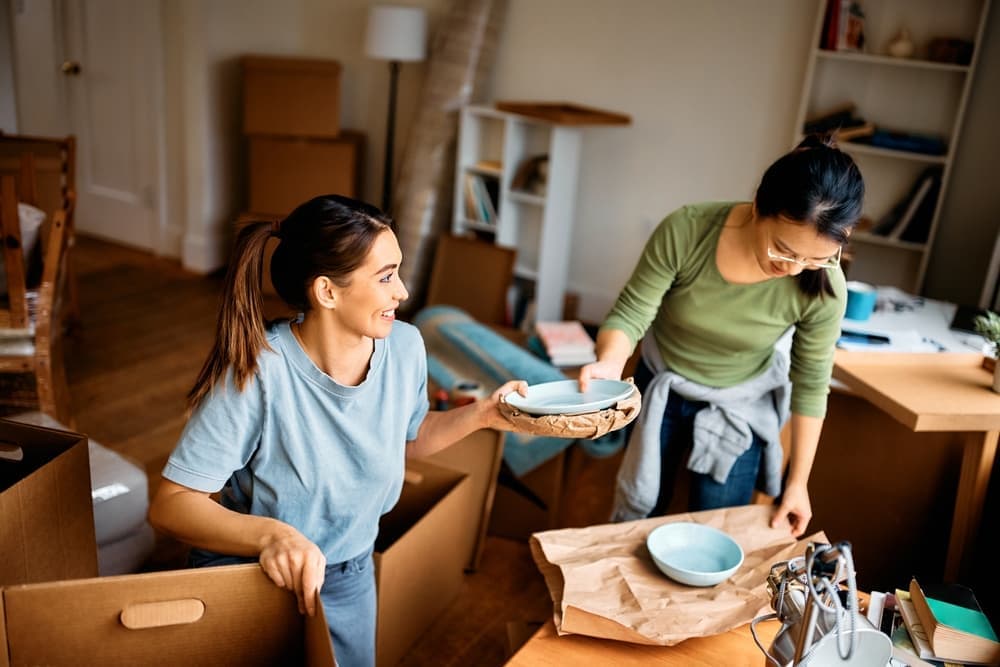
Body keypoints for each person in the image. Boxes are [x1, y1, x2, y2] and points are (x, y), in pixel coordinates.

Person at [147, 194, 526, 667]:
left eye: (398, 272)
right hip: (249, 575)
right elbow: (171, 506)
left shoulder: (405, 347)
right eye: (386, 277)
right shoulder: (258, 371)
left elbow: (406, 440)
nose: (403, 293)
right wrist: (271, 538)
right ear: (327, 292)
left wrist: (485, 414)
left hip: (349, 571)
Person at [578, 134, 864, 538]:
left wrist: (797, 484)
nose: (796, 269)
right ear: (758, 207)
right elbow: (631, 313)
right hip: (663, 380)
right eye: (784, 250)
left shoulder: (825, 287)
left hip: (739, 403)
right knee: (641, 520)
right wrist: (610, 363)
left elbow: (812, 384)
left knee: (715, 529)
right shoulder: (688, 229)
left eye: (817, 258)